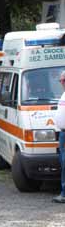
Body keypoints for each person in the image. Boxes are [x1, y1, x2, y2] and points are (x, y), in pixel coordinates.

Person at [52, 71, 65, 203]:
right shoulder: (63, 94)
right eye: (61, 80)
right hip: (62, 133)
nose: (61, 83)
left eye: (64, 80)